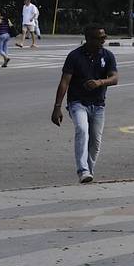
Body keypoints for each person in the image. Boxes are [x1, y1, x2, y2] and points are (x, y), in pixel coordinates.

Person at [51, 24, 119, 184]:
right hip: (77, 103)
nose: (104, 40)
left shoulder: (107, 56)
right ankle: (83, 170)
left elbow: (115, 78)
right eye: (100, 38)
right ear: (89, 39)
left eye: (104, 37)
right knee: (82, 130)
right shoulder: (75, 56)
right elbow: (64, 82)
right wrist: (57, 107)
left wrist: (100, 82)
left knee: (95, 141)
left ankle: (88, 170)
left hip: (98, 105)